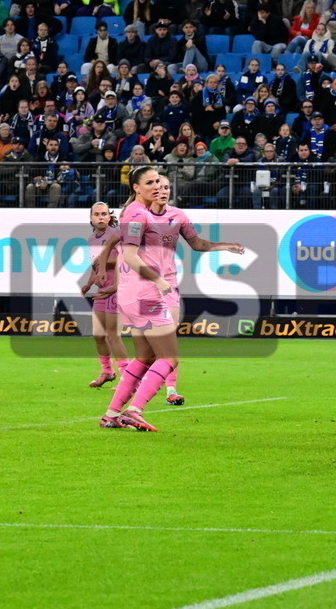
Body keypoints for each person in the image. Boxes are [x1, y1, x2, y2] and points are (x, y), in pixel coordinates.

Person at [98, 168, 245, 429]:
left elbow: (195, 243)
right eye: (150, 182)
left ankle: (111, 414)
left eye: (159, 182)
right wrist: (158, 279)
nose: (157, 187)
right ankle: (135, 410)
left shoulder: (142, 212)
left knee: (145, 357)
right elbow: (130, 255)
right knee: (170, 357)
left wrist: (225, 246)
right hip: (145, 293)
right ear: (136, 187)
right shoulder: (137, 213)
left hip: (134, 294)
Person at [80, 202, 131, 388]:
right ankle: (107, 372)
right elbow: (96, 265)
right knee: (98, 334)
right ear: (91, 218)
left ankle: (127, 378)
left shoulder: (115, 236)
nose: (101, 217)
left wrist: (104, 261)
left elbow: (123, 260)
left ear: (109, 217)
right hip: (102, 290)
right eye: (97, 214)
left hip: (118, 288)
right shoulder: (91, 239)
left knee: (113, 335)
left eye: (104, 214)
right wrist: (89, 283)